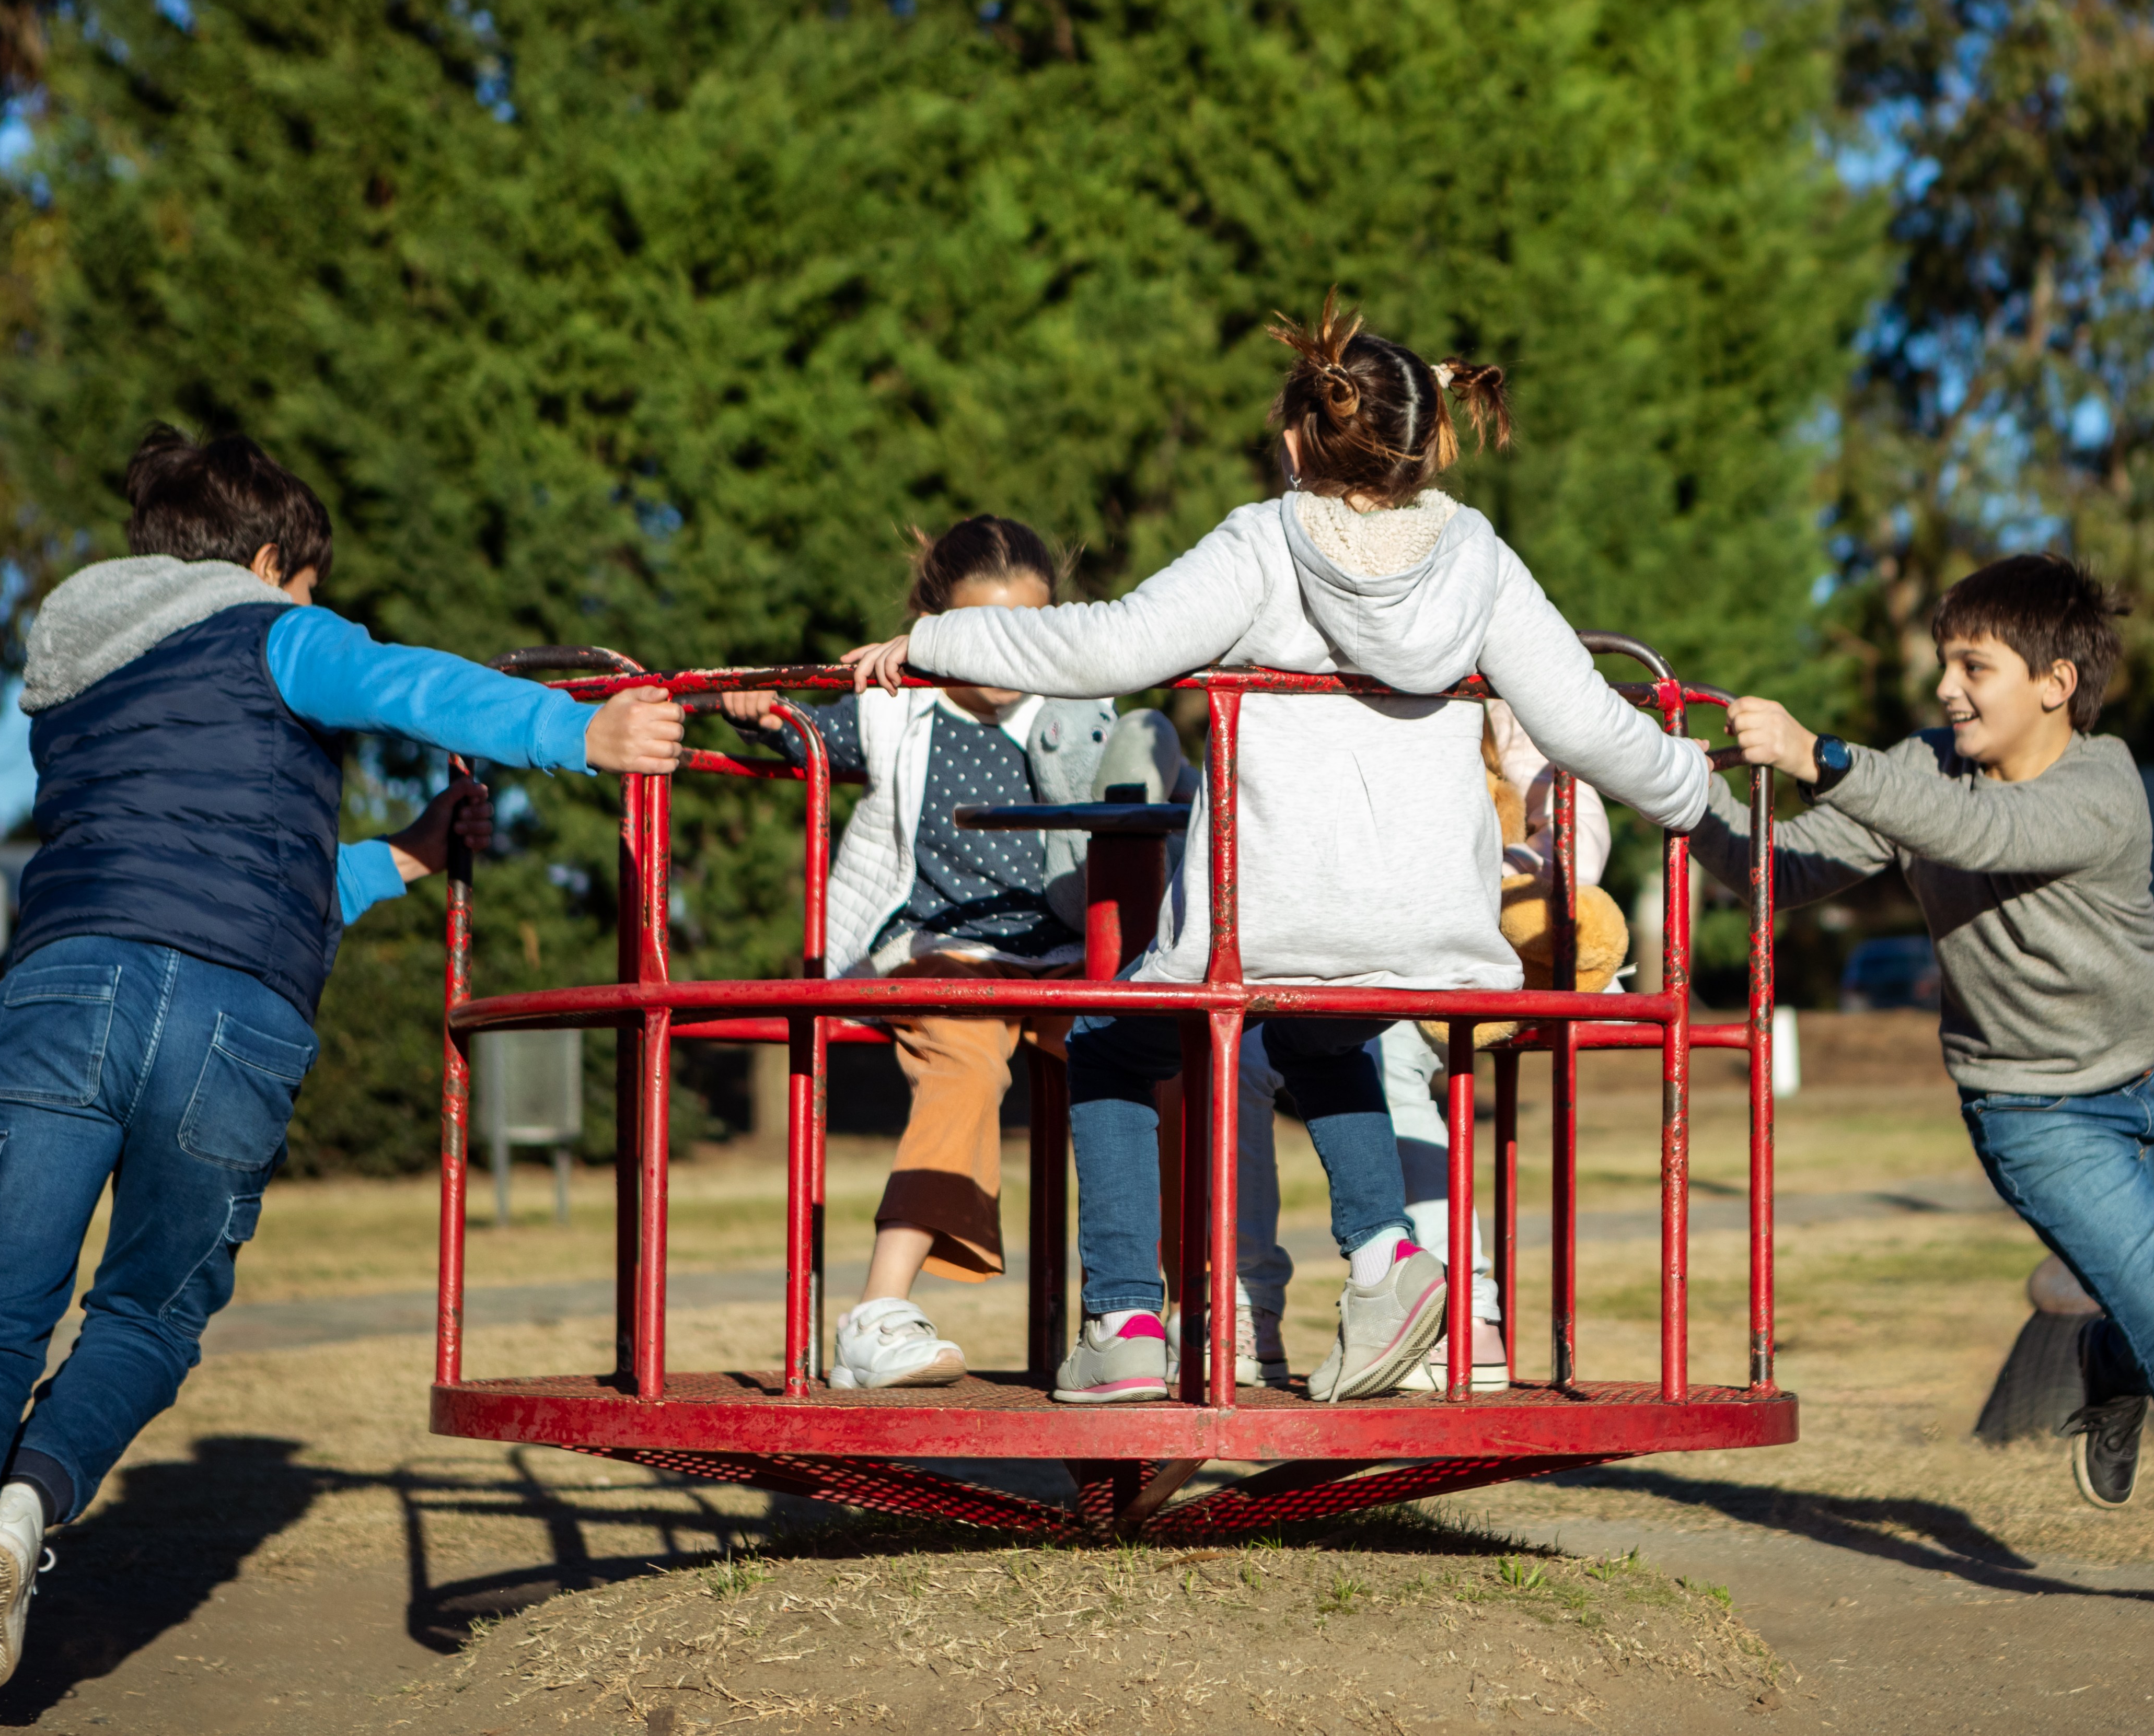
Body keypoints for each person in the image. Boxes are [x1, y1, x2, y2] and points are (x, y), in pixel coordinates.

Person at [0, 426, 686, 1731]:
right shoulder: (269, 626)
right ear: (264, 560)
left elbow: (203, 854)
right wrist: (573, 733)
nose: (316, 614)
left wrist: (403, 858)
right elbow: (404, 685)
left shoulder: (74, 673)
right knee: (146, 1313)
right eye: (308, 586)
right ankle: (33, 1489)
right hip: (233, 1014)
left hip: (63, 989)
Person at [840, 294, 1710, 1404]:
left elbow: (1110, 642)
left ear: (1298, 440)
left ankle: (1125, 1321)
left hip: (1269, 916)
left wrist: (934, 639)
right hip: (1431, 924)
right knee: (1322, 1029)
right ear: (1423, 443)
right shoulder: (1478, 558)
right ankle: (1392, 1262)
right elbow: (1585, 722)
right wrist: (1696, 798)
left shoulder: (1262, 542)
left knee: (1112, 1041)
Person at [1698, 553, 2154, 1632]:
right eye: (1943, 662)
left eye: (1972, 664)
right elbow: (1775, 871)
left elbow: (1990, 837)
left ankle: (2103, 1362)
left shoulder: (2102, 783)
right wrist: (1669, 781)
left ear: (2055, 682)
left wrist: (1819, 752)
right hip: (2032, 1110)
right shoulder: (1925, 769)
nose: (1945, 686)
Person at [723, 517, 1183, 1392]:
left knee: (1149, 1059)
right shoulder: (896, 709)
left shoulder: (1076, 713)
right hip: (943, 954)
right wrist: (761, 709)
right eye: (981, 637)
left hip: (1056, 960)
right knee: (966, 1066)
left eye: (1029, 635)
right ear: (932, 624)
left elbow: (1148, 780)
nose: (1006, 661)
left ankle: (1180, 1297)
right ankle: (877, 1312)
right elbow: (811, 734)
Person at [1225, 704, 1614, 1391]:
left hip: (1450, 943)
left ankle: (1462, 1309)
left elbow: (1573, 822)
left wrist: (1494, 871)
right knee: (1239, 1054)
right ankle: (1244, 1308)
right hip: (1335, 937)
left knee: (1389, 1048)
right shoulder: (1320, 690)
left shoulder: (1492, 694)